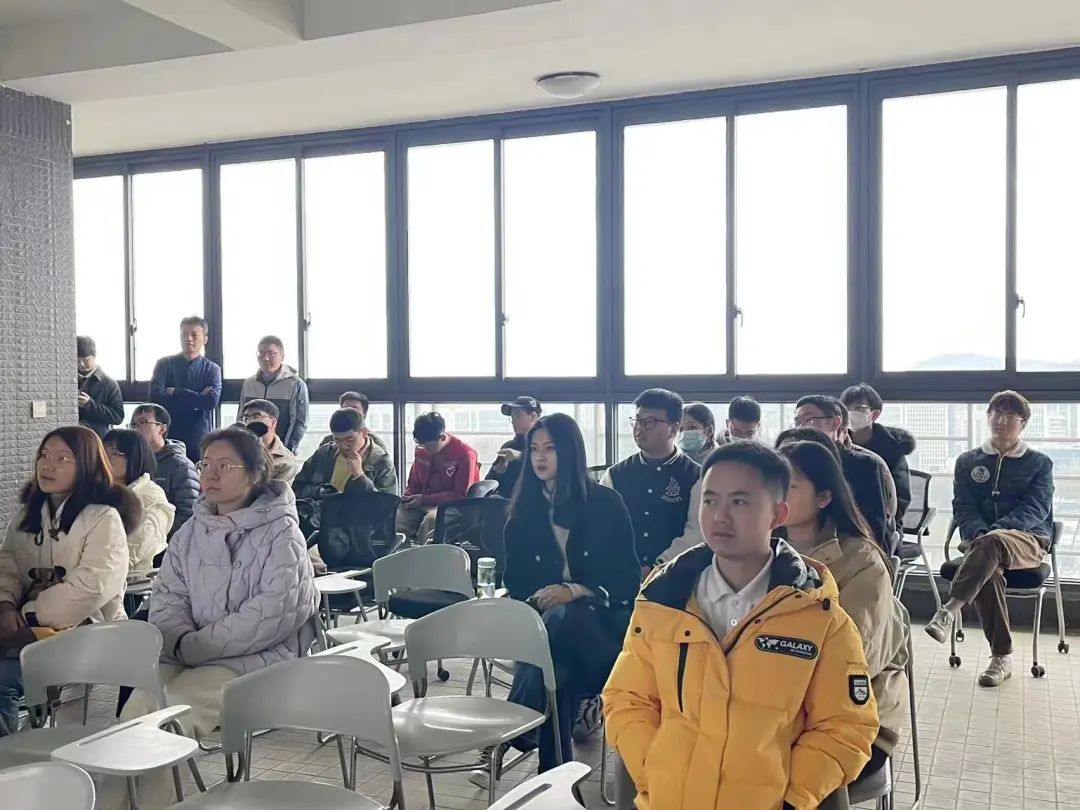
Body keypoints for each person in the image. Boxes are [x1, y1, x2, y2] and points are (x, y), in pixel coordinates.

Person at [602, 442, 878, 809]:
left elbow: (845, 727)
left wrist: (792, 797)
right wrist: (655, 770)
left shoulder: (819, 618)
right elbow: (627, 699)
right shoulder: (663, 603)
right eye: (710, 501)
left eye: (739, 502)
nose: (720, 516)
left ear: (778, 514)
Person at [112, 428, 316, 805]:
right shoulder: (191, 531)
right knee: (135, 712)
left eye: (225, 466)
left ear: (254, 473)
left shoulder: (282, 532)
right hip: (188, 652)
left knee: (172, 720)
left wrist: (197, 646)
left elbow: (273, 613)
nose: (211, 475)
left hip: (257, 659)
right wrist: (180, 640)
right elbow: (168, 596)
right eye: (205, 465)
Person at [491, 414, 640, 779]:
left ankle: (519, 725)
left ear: (570, 452)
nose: (540, 457)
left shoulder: (605, 503)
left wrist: (572, 592)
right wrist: (541, 599)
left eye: (550, 448)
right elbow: (516, 581)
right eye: (534, 449)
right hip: (550, 633)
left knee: (560, 624)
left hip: (603, 627)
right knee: (558, 671)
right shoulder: (522, 513)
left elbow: (626, 579)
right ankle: (554, 777)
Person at [778, 439, 908, 779]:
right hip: (772, 707)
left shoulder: (862, 561)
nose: (776, 495)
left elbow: (854, 660)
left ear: (824, 497)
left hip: (853, 716)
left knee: (769, 775)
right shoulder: (760, 551)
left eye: (789, 486)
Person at [0, 426, 139, 736]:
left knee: (3, 680)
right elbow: (6, 568)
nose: (48, 465)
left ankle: (9, 755)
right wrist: (5, 606)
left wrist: (26, 616)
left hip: (88, 632)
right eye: (44, 456)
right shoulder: (25, 518)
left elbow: (90, 588)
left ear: (87, 465)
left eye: (63, 458)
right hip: (25, 631)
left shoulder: (103, 518)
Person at [925, 390, 1055, 688]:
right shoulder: (968, 461)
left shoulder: (1039, 463)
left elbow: (1035, 508)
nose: (1002, 420)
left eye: (1010, 416)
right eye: (996, 414)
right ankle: (1001, 658)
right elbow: (963, 506)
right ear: (987, 417)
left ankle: (949, 611)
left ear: (1023, 424)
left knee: (992, 544)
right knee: (990, 572)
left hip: (1026, 541)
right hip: (979, 543)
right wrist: (979, 534)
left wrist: (994, 532)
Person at [601, 389, 702, 571]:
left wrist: (659, 566)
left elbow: (696, 532)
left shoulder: (696, 476)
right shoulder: (614, 475)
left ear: (673, 429)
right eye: (637, 420)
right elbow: (603, 528)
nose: (639, 428)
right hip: (622, 574)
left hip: (676, 574)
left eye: (650, 422)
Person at [793, 395, 897, 553]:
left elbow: (875, 525)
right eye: (798, 421)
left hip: (850, 551)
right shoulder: (795, 463)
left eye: (808, 419)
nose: (801, 427)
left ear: (835, 423)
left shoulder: (864, 465)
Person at [149, 316, 222, 463]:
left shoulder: (212, 369)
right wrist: (197, 398)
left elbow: (210, 402)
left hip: (198, 437)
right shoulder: (164, 364)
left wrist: (176, 392)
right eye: (184, 334)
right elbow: (156, 397)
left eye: (194, 335)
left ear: (205, 339)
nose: (189, 339)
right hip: (168, 435)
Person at [840, 383, 916, 523]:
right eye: (846, 408)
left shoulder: (892, 449)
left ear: (874, 414)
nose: (851, 412)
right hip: (842, 521)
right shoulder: (837, 445)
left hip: (882, 523)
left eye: (859, 408)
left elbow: (901, 498)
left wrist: (880, 522)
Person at [397, 413, 478, 542]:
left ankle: (424, 553)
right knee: (397, 519)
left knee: (431, 521)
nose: (425, 449)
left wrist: (425, 500)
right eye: (421, 445)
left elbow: (461, 495)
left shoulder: (464, 455)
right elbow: (414, 483)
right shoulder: (422, 451)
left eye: (429, 446)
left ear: (442, 437)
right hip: (422, 502)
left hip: (452, 506)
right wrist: (408, 497)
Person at [103, 429, 175, 576]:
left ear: (133, 457)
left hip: (130, 582)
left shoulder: (151, 497)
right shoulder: (101, 490)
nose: (104, 459)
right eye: (102, 452)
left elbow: (136, 550)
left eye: (113, 453)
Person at [129, 404, 200, 540]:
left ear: (162, 429)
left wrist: (159, 539)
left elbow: (189, 513)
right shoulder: (132, 461)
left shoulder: (180, 465)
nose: (136, 429)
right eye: (133, 425)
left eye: (143, 422)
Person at [294, 408, 398, 499]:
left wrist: (360, 476)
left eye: (350, 439)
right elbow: (296, 488)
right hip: (322, 513)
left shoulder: (381, 462)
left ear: (364, 433)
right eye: (337, 439)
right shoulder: (324, 454)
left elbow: (388, 506)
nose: (343, 446)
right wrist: (320, 492)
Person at [237, 336, 309, 454]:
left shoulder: (295, 384)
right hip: (251, 451)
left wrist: (285, 451)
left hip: (279, 450)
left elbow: (299, 422)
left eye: (271, 353)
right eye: (261, 353)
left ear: (282, 356)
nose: (266, 358)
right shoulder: (249, 383)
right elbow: (241, 417)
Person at [487, 396, 542, 496]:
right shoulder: (509, 446)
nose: (513, 421)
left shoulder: (545, 446)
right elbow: (488, 483)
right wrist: (497, 472)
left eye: (517, 415)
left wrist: (521, 457)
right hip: (506, 503)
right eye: (512, 417)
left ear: (533, 416)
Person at [240, 399, 300, 484]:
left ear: (273, 422)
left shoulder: (286, 462)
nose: (249, 422)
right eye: (246, 418)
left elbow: (275, 492)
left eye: (256, 417)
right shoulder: (234, 448)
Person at [76, 336, 124, 439]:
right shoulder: (66, 380)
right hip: (72, 437)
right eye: (77, 360)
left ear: (94, 357)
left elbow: (118, 417)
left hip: (99, 439)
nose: (81, 364)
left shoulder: (109, 383)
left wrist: (89, 404)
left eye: (86, 360)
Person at [320, 391, 387, 450]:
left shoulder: (376, 443)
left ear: (364, 413)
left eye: (354, 408)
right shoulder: (328, 442)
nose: (348, 413)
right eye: (344, 408)